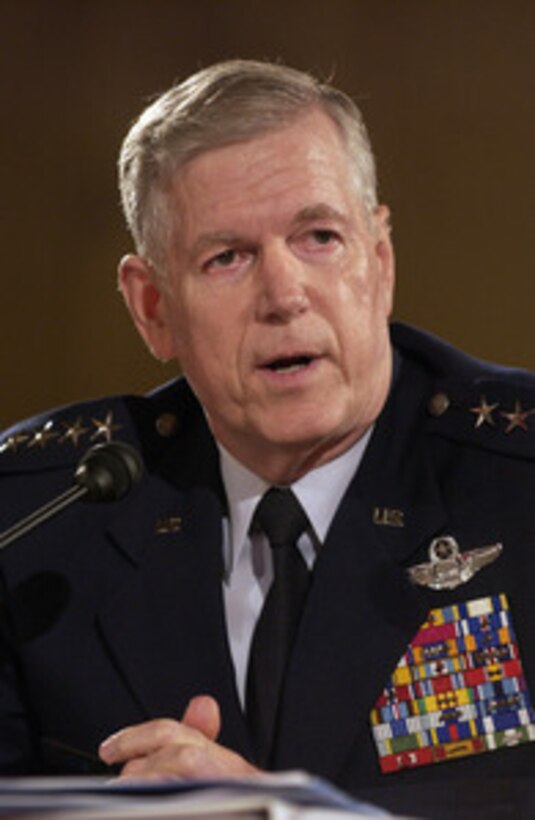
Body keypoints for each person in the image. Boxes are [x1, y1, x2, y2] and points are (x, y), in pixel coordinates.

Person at [0, 59, 533, 813]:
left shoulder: (515, 482)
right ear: (151, 306)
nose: (283, 296)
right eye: (227, 258)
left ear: (378, 264)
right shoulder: (38, 529)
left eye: (318, 237)